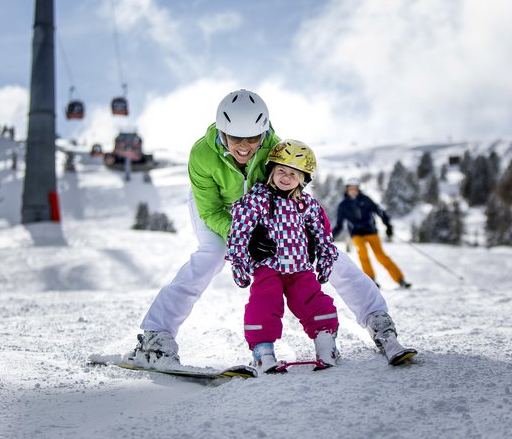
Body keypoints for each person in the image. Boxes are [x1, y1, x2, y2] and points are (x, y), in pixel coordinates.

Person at [133, 89, 416, 366]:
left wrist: (302, 230)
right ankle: (156, 336)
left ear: (264, 131)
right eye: (235, 138)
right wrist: (243, 235)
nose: (244, 147)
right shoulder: (202, 154)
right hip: (219, 209)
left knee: (324, 254)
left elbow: (291, 185)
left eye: (253, 138)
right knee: (211, 256)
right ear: (222, 131)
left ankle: (378, 320)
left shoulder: (275, 147)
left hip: (266, 210)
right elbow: (209, 210)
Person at [226, 140, 340, 372]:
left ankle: (326, 344)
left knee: (314, 303)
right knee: (263, 304)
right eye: (281, 171)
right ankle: (263, 351)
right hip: (269, 267)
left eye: (293, 173)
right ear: (271, 171)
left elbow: (322, 232)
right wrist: (239, 261)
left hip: (300, 268)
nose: (286, 177)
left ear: (303, 179)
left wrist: (326, 257)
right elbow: (239, 231)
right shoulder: (256, 200)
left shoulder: (307, 204)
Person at [332, 178, 412, 289]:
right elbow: (339, 224)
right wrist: (331, 237)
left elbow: (380, 211)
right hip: (356, 234)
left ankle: (400, 279)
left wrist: (388, 225)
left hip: (370, 231)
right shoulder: (343, 205)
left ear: (358, 189)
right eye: (351, 189)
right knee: (363, 254)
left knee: (380, 255)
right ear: (347, 190)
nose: (353, 191)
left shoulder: (366, 200)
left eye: (355, 189)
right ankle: (371, 280)